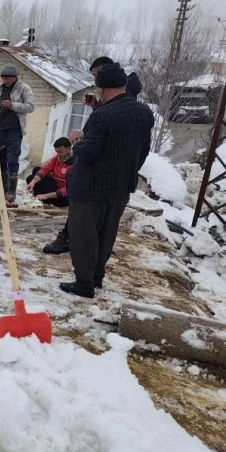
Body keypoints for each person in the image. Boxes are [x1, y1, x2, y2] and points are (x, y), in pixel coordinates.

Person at [60, 63, 154, 298]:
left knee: (83, 234)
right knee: (106, 233)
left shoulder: (102, 115)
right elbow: (143, 151)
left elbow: (90, 153)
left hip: (91, 187)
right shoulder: (144, 112)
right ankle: (97, 277)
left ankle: (84, 283)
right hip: (121, 186)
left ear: (102, 89)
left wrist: (76, 141)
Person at [0, 64, 35, 206]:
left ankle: (11, 191)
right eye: (3, 78)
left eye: (8, 78)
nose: (6, 81)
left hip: (14, 130)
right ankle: (1, 187)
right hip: (0, 128)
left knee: (12, 160)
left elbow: (30, 106)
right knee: (0, 159)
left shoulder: (24, 88)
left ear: (15, 77)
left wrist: (12, 105)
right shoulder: (0, 89)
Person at [25, 137, 74, 254]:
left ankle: (44, 199)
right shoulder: (57, 159)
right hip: (56, 187)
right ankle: (40, 200)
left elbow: (69, 189)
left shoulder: (74, 165)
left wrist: (46, 195)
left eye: (60, 152)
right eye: (56, 152)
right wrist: (33, 182)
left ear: (68, 149)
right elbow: (44, 170)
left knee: (46, 190)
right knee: (33, 175)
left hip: (65, 196)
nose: (58, 154)